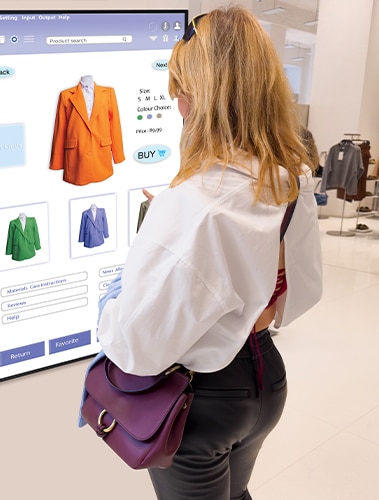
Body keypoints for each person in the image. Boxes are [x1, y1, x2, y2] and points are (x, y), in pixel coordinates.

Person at [94, 8, 323, 500]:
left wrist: (130, 275)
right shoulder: (291, 178)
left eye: (180, 90)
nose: (177, 104)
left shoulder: (192, 204)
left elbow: (136, 346)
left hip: (202, 398)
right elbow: (301, 291)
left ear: (201, 96)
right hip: (264, 379)